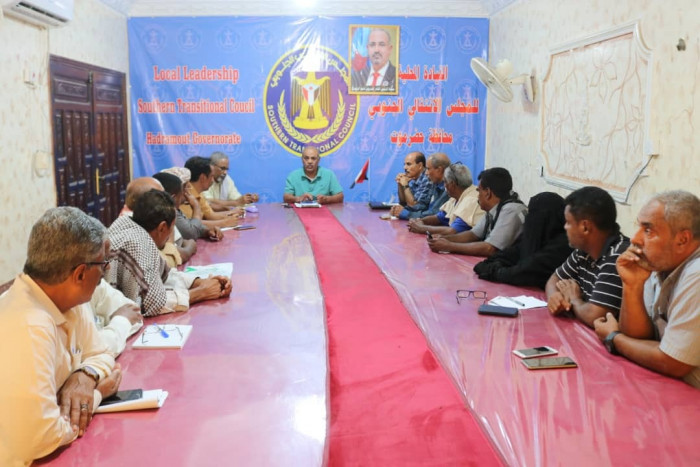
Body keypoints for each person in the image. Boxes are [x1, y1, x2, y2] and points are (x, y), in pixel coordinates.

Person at [0, 207, 121, 465]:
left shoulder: (68, 299)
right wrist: (97, 394)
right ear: (80, 274)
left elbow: (101, 353)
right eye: (103, 264)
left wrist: (85, 375)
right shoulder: (30, 326)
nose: (105, 272)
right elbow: (38, 438)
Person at [594, 191, 700, 389]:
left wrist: (613, 338)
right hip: (671, 387)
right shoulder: (659, 263)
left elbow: (673, 362)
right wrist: (632, 286)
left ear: (682, 240)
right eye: (639, 227)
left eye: (648, 230)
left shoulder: (697, 274)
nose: (635, 239)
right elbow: (639, 338)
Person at [107, 189, 232, 317]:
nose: (169, 237)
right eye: (172, 229)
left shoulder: (127, 223)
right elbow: (153, 303)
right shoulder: (138, 243)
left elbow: (163, 274)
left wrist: (200, 282)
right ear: (162, 227)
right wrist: (201, 293)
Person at [545, 186, 629, 328]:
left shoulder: (618, 256)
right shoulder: (583, 250)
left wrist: (574, 299)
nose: (565, 227)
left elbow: (594, 316)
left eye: (568, 222)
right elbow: (554, 279)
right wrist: (555, 298)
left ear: (585, 227)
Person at [473, 192, 573, 289]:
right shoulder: (533, 236)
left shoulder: (563, 245)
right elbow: (507, 255)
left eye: (534, 214)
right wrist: (495, 265)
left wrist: (494, 271)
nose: (530, 219)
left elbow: (525, 272)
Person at [427, 167, 526, 257]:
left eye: (479, 191)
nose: (477, 195)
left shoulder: (511, 210)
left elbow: (490, 248)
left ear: (487, 193)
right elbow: (473, 234)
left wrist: (449, 246)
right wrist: (444, 238)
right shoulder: (495, 208)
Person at [121, 177, 197, 267]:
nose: (165, 200)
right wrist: (190, 246)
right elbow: (167, 263)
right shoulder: (134, 226)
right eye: (159, 196)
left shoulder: (146, 215)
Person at [407, 163, 484, 236]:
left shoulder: (471, 199)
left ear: (452, 184)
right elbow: (439, 218)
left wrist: (422, 228)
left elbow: (453, 231)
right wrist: (420, 221)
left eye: (445, 182)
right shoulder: (456, 197)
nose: (444, 185)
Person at [153, 171, 223, 241]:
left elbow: (188, 224)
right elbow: (191, 233)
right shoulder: (169, 211)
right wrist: (196, 207)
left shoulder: (176, 210)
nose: (187, 192)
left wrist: (207, 230)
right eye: (184, 188)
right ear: (173, 198)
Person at [180, 156, 242, 228]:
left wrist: (231, 213)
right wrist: (224, 223)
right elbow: (190, 224)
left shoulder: (199, 193)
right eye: (211, 176)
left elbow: (210, 215)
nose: (213, 180)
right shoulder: (184, 194)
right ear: (203, 177)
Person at [390, 152, 451, 219]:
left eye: (428, 169)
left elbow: (433, 214)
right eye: (404, 164)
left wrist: (405, 213)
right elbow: (421, 206)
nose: (426, 173)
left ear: (439, 170)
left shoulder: (448, 188)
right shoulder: (435, 184)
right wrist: (401, 209)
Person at [351, 28, 397, 92]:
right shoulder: (355, 77)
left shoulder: (397, 76)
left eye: (382, 44)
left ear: (390, 49)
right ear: (368, 48)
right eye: (372, 44)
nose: (376, 50)